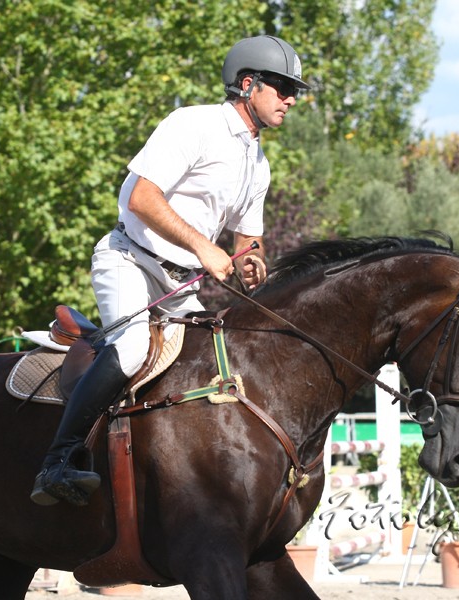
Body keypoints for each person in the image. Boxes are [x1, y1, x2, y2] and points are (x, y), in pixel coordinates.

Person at [31, 35, 309, 507]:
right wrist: (205, 247)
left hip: (179, 285)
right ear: (248, 84)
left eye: (293, 90)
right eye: (281, 87)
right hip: (130, 260)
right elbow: (141, 197)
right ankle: (57, 461)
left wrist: (251, 259)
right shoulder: (193, 124)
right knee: (134, 345)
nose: (291, 99)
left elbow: (248, 238)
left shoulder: (257, 162)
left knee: (220, 359)